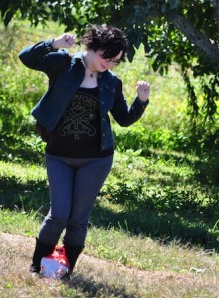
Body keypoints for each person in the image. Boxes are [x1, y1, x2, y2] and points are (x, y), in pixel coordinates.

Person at [19, 24, 151, 278]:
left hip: (96, 160)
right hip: (58, 154)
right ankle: (36, 268)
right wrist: (54, 44)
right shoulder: (63, 65)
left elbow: (122, 119)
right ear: (94, 48)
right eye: (107, 58)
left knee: (77, 219)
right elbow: (27, 57)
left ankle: (64, 271)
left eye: (116, 61)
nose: (110, 65)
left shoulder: (112, 82)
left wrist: (141, 101)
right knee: (58, 215)